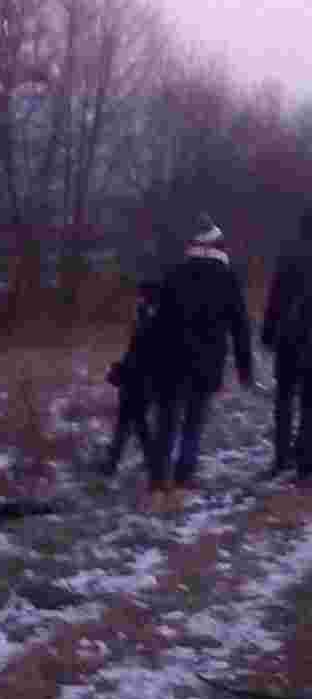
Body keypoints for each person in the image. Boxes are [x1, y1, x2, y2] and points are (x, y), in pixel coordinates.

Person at [148, 213, 253, 501]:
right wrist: (244, 368)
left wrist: (150, 360)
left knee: (167, 420)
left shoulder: (175, 273)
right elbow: (240, 326)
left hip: (171, 358)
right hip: (207, 362)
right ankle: (184, 475)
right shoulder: (227, 278)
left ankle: (158, 478)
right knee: (194, 420)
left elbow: (158, 322)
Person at [260, 208, 312, 480]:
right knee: (309, 402)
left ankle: (281, 457)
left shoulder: (289, 255)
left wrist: (268, 333)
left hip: (288, 338)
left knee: (284, 398)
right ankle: (305, 460)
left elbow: (276, 297)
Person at [101, 280, 161, 477]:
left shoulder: (150, 319)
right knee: (135, 422)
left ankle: (113, 465)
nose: (138, 299)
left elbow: (140, 352)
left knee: (130, 422)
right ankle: (150, 463)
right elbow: (135, 350)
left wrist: (124, 370)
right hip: (140, 379)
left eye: (142, 296)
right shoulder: (149, 317)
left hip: (140, 380)